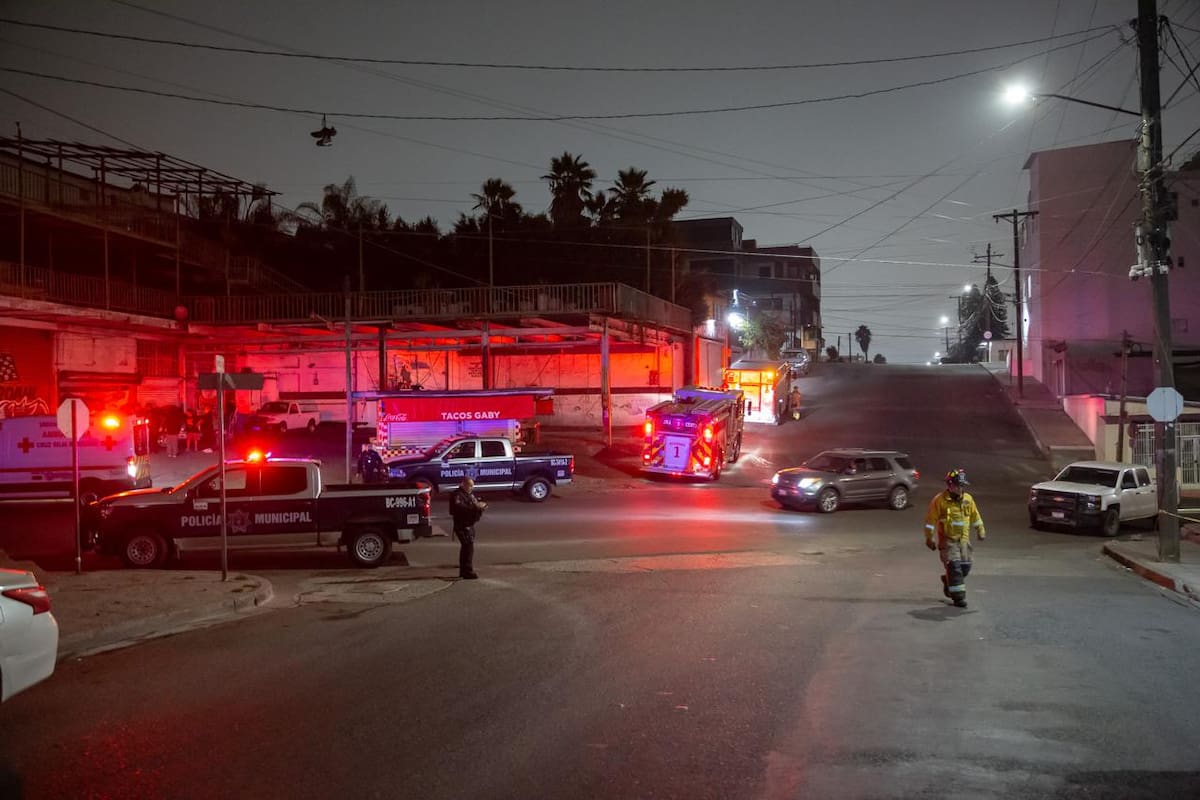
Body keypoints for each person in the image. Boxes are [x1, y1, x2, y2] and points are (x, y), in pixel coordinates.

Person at [923, 469, 986, 608]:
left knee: (965, 567)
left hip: (964, 541)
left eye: (962, 485)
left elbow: (975, 516)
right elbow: (930, 521)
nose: (960, 488)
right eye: (958, 485)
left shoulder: (968, 499)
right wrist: (929, 538)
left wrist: (980, 530)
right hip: (948, 541)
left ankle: (948, 580)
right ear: (950, 485)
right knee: (955, 568)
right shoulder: (939, 501)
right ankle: (958, 598)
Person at [449, 477, 487, 580]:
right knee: (467, 547)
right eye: (470, 486)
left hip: (469, 524)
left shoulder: (468, 494)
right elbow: (458, 508)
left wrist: (481, 506)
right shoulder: (457, 495)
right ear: (464, 484)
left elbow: (473, 504)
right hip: (462, 525)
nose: (471, 488)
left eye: (472, 486)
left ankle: (464, 570)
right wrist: (475, 507)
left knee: (468, 547)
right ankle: (467, 571)